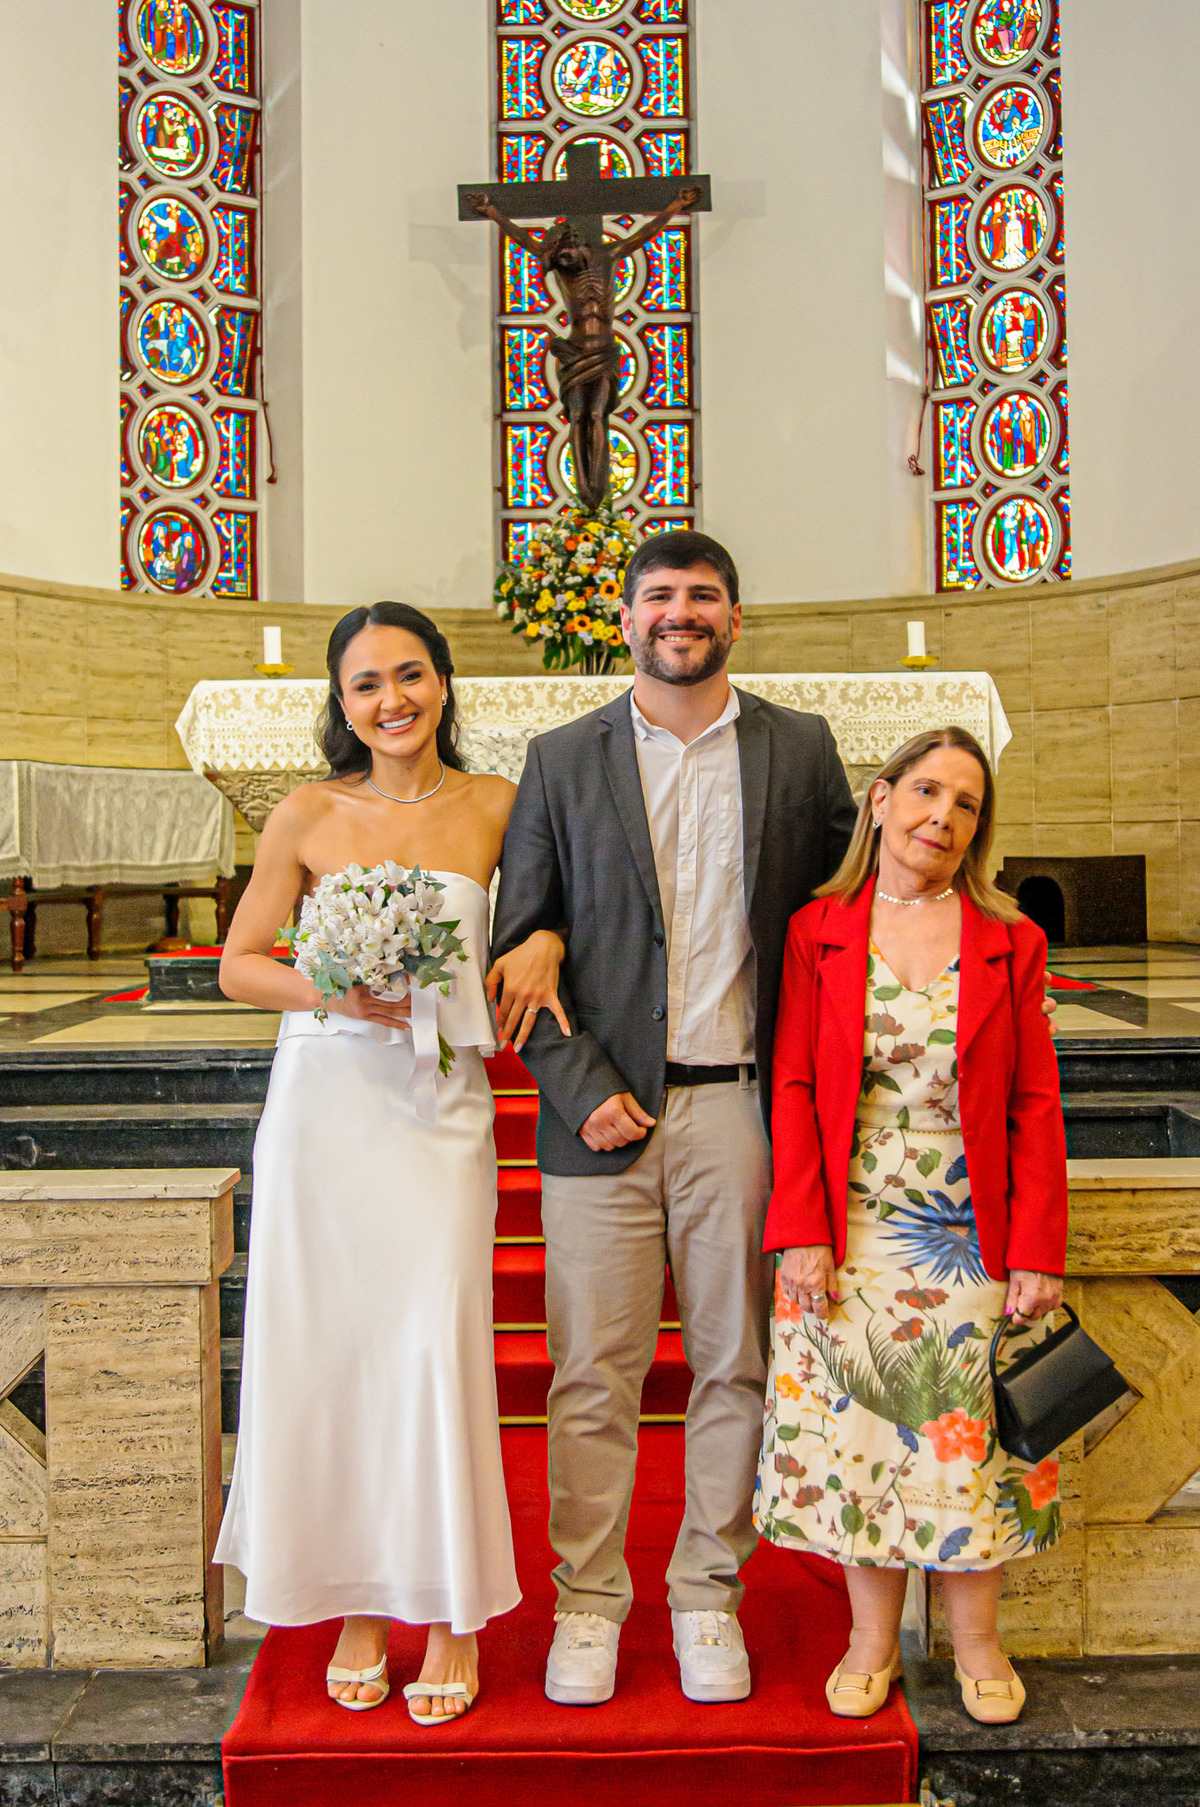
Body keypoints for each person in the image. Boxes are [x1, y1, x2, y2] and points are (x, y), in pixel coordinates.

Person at [491, 531, 860, 1707]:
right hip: (601, 1112)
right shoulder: (559, 759)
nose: (681, 613)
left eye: (703, 596)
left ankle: (709, 1592)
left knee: (731, 1362)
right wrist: (579, 1081)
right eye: (660, 596)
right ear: (627, 617)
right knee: (591, 1372)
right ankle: (589, 1603)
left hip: (739, 1107)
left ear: (736, 618)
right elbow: (515, 947)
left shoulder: (799, 752)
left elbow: (845, 910)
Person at [215, 601, 570, 1723]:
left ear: (445, 683)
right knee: (337, 1354)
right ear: (343, 702)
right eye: (366, 684)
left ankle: (455, 1613)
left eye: (410, 675)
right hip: (326, 1107)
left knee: (432, 1347)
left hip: (438, 1111)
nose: (392, 700)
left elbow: (564, 915)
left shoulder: (500, 806)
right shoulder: (306, 813)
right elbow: (238, 966)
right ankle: (362, 1605)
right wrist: (337, 989)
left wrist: (545, 935)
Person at [756, 726, 1067, 1727]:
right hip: (848, 1227)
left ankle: (978, 1640)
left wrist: (1035, 1250)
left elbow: (1032, 1099)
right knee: (862, 1435)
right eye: (926, 791)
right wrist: (801, 1230)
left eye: (965, 804)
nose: (942, 817)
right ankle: (870, 1639)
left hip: (971, 1223)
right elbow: (797, 1082)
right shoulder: (819, 927)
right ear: (881, 799)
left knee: (962, 1442)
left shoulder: (1009, 937)